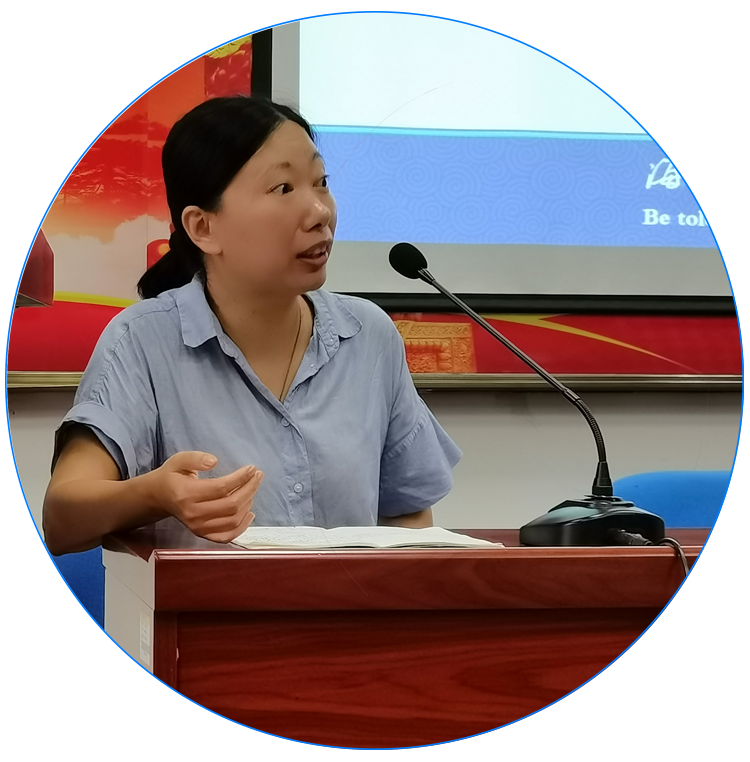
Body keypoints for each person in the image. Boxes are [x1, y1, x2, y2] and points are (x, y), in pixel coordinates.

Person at [43, 96, 461, 556]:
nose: (320, 212)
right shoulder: (141, 341)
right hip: (202, 606)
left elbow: (408, 514)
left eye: (321, 183)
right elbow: (62, 519)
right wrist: (154, 495)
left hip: (348, 605)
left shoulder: (369, 335)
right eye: (283, 188)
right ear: (203, 228)